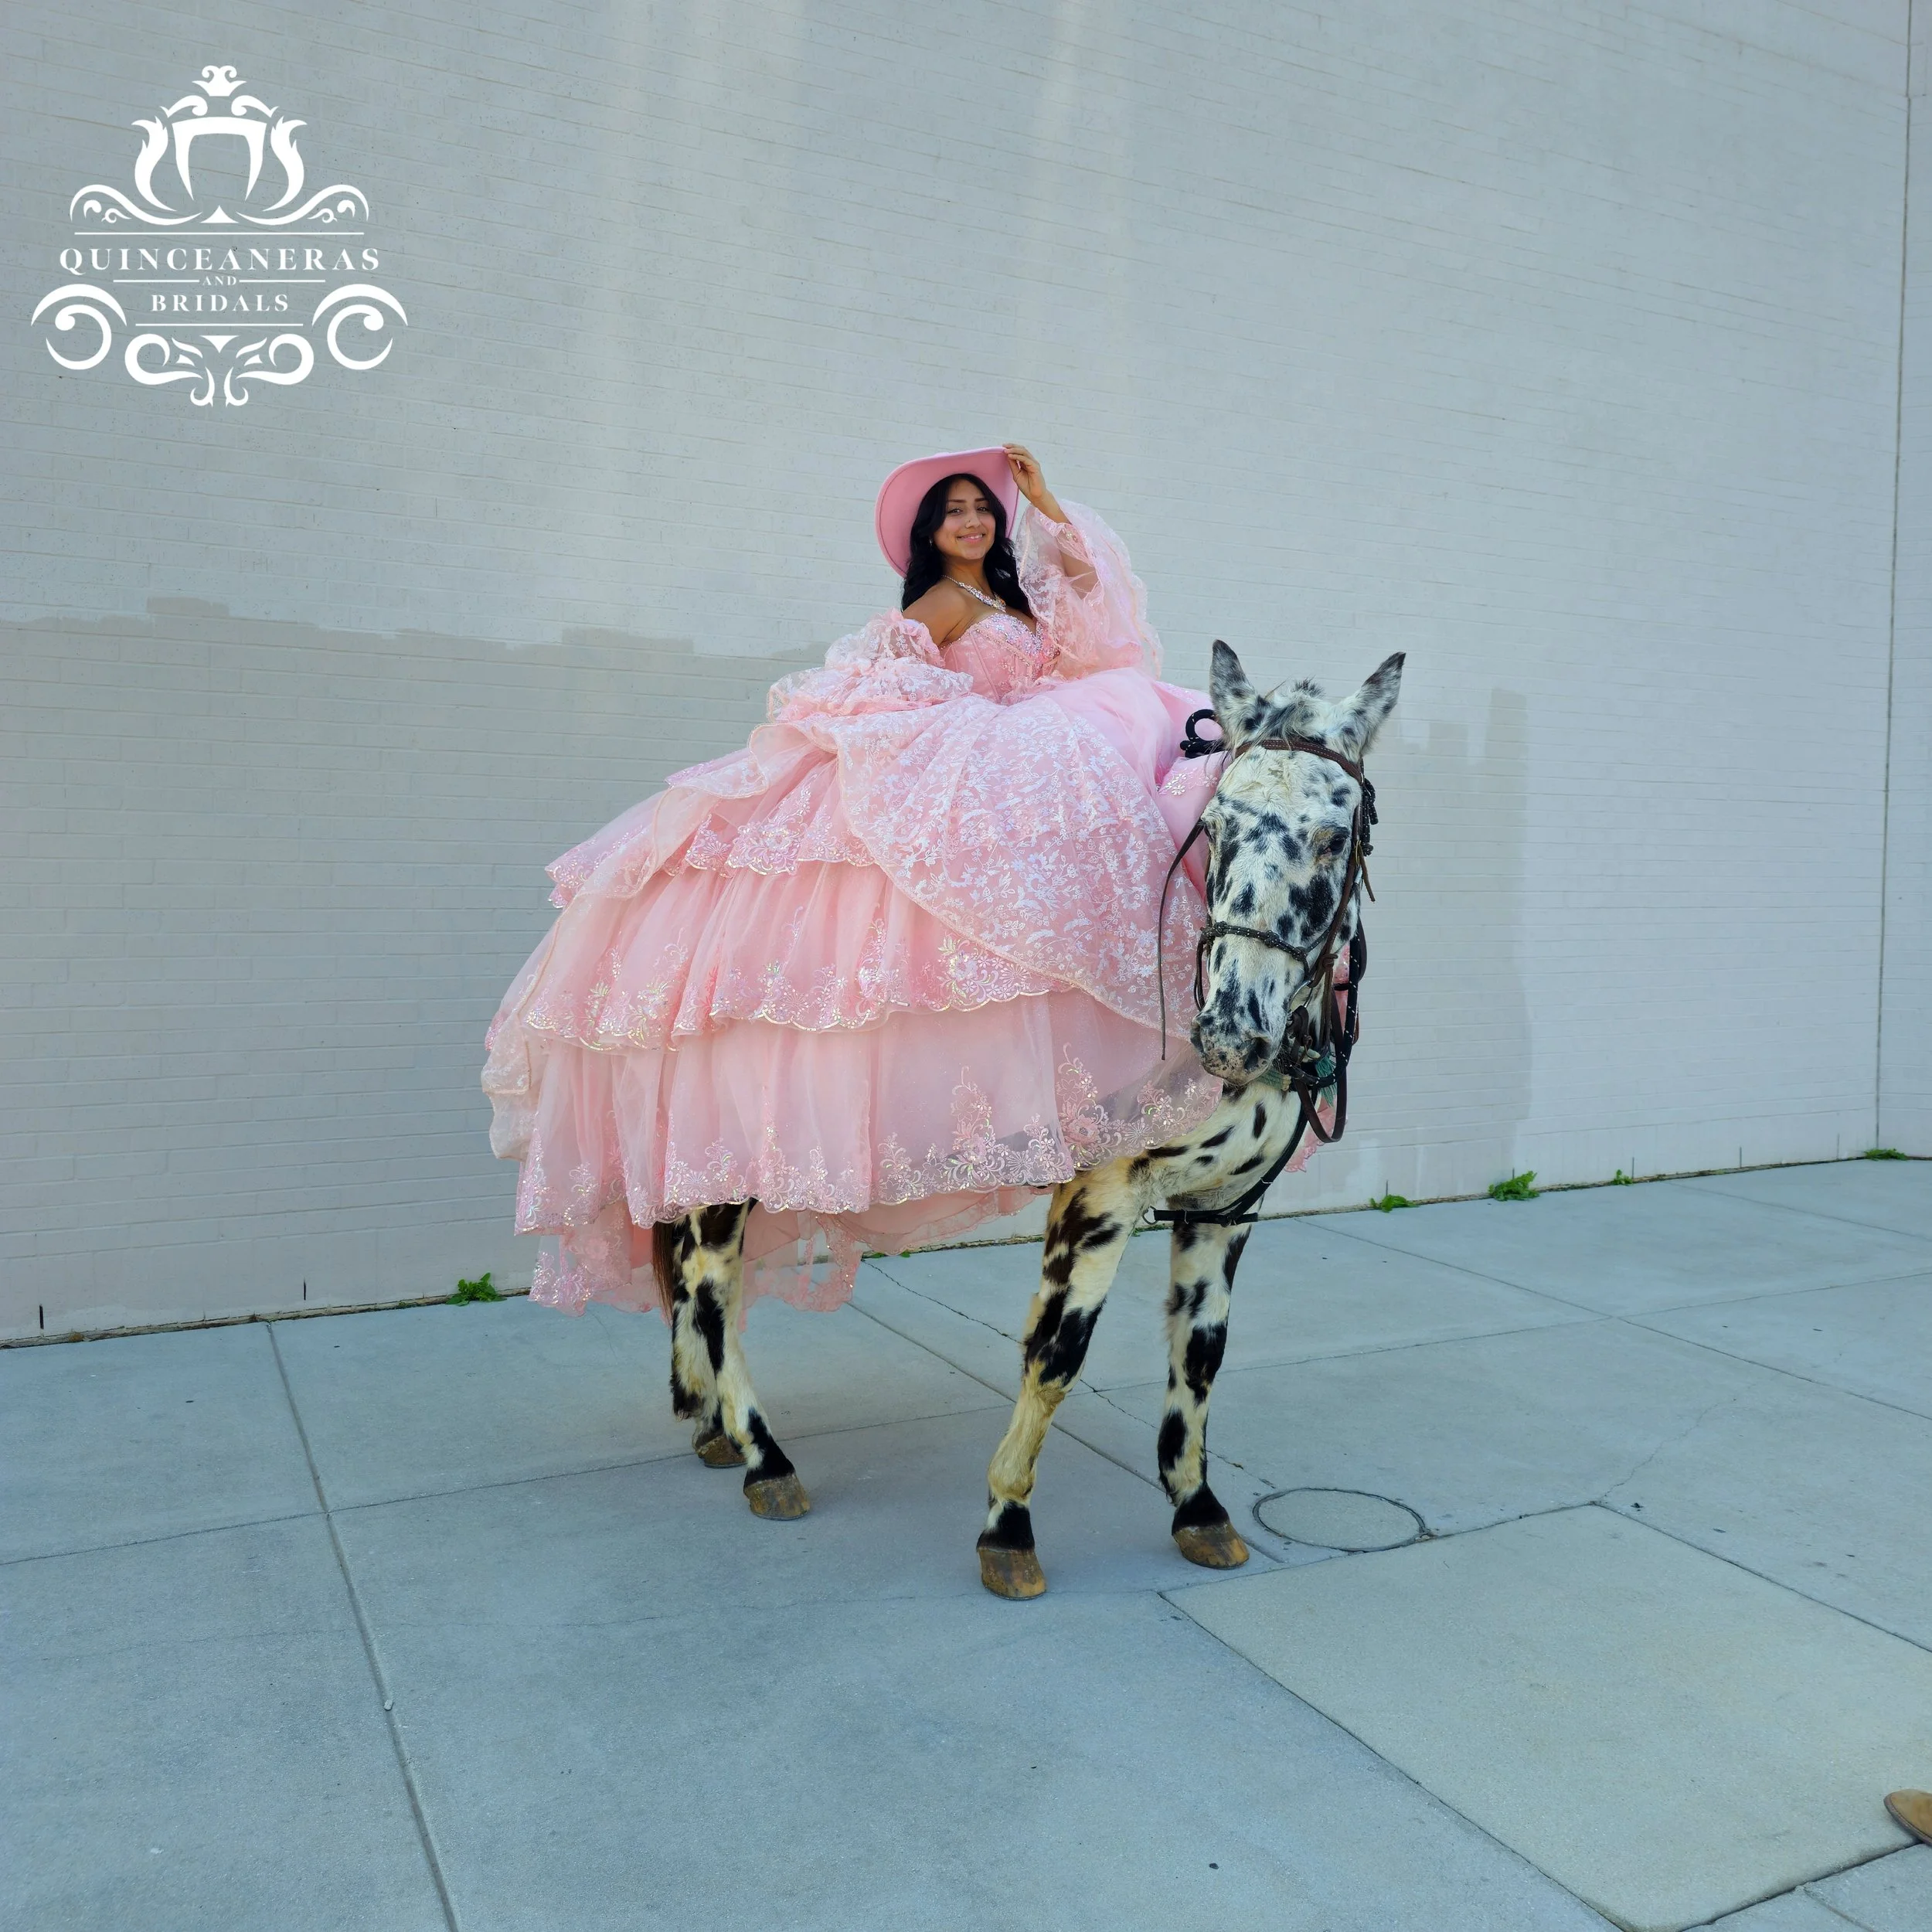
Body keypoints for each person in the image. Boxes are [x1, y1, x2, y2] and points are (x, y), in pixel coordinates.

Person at [481, 444, 1318, 1314]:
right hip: (979, 747)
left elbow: (1100, 628)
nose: (972, 521)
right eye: (953, 511)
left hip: (1029, 745)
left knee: (1138, 755)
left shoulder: (1011, 598)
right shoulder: (947, 601)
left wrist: (1045, 503)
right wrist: (971, 724)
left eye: (981, 509)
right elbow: (879, 680)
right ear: (930, 533)